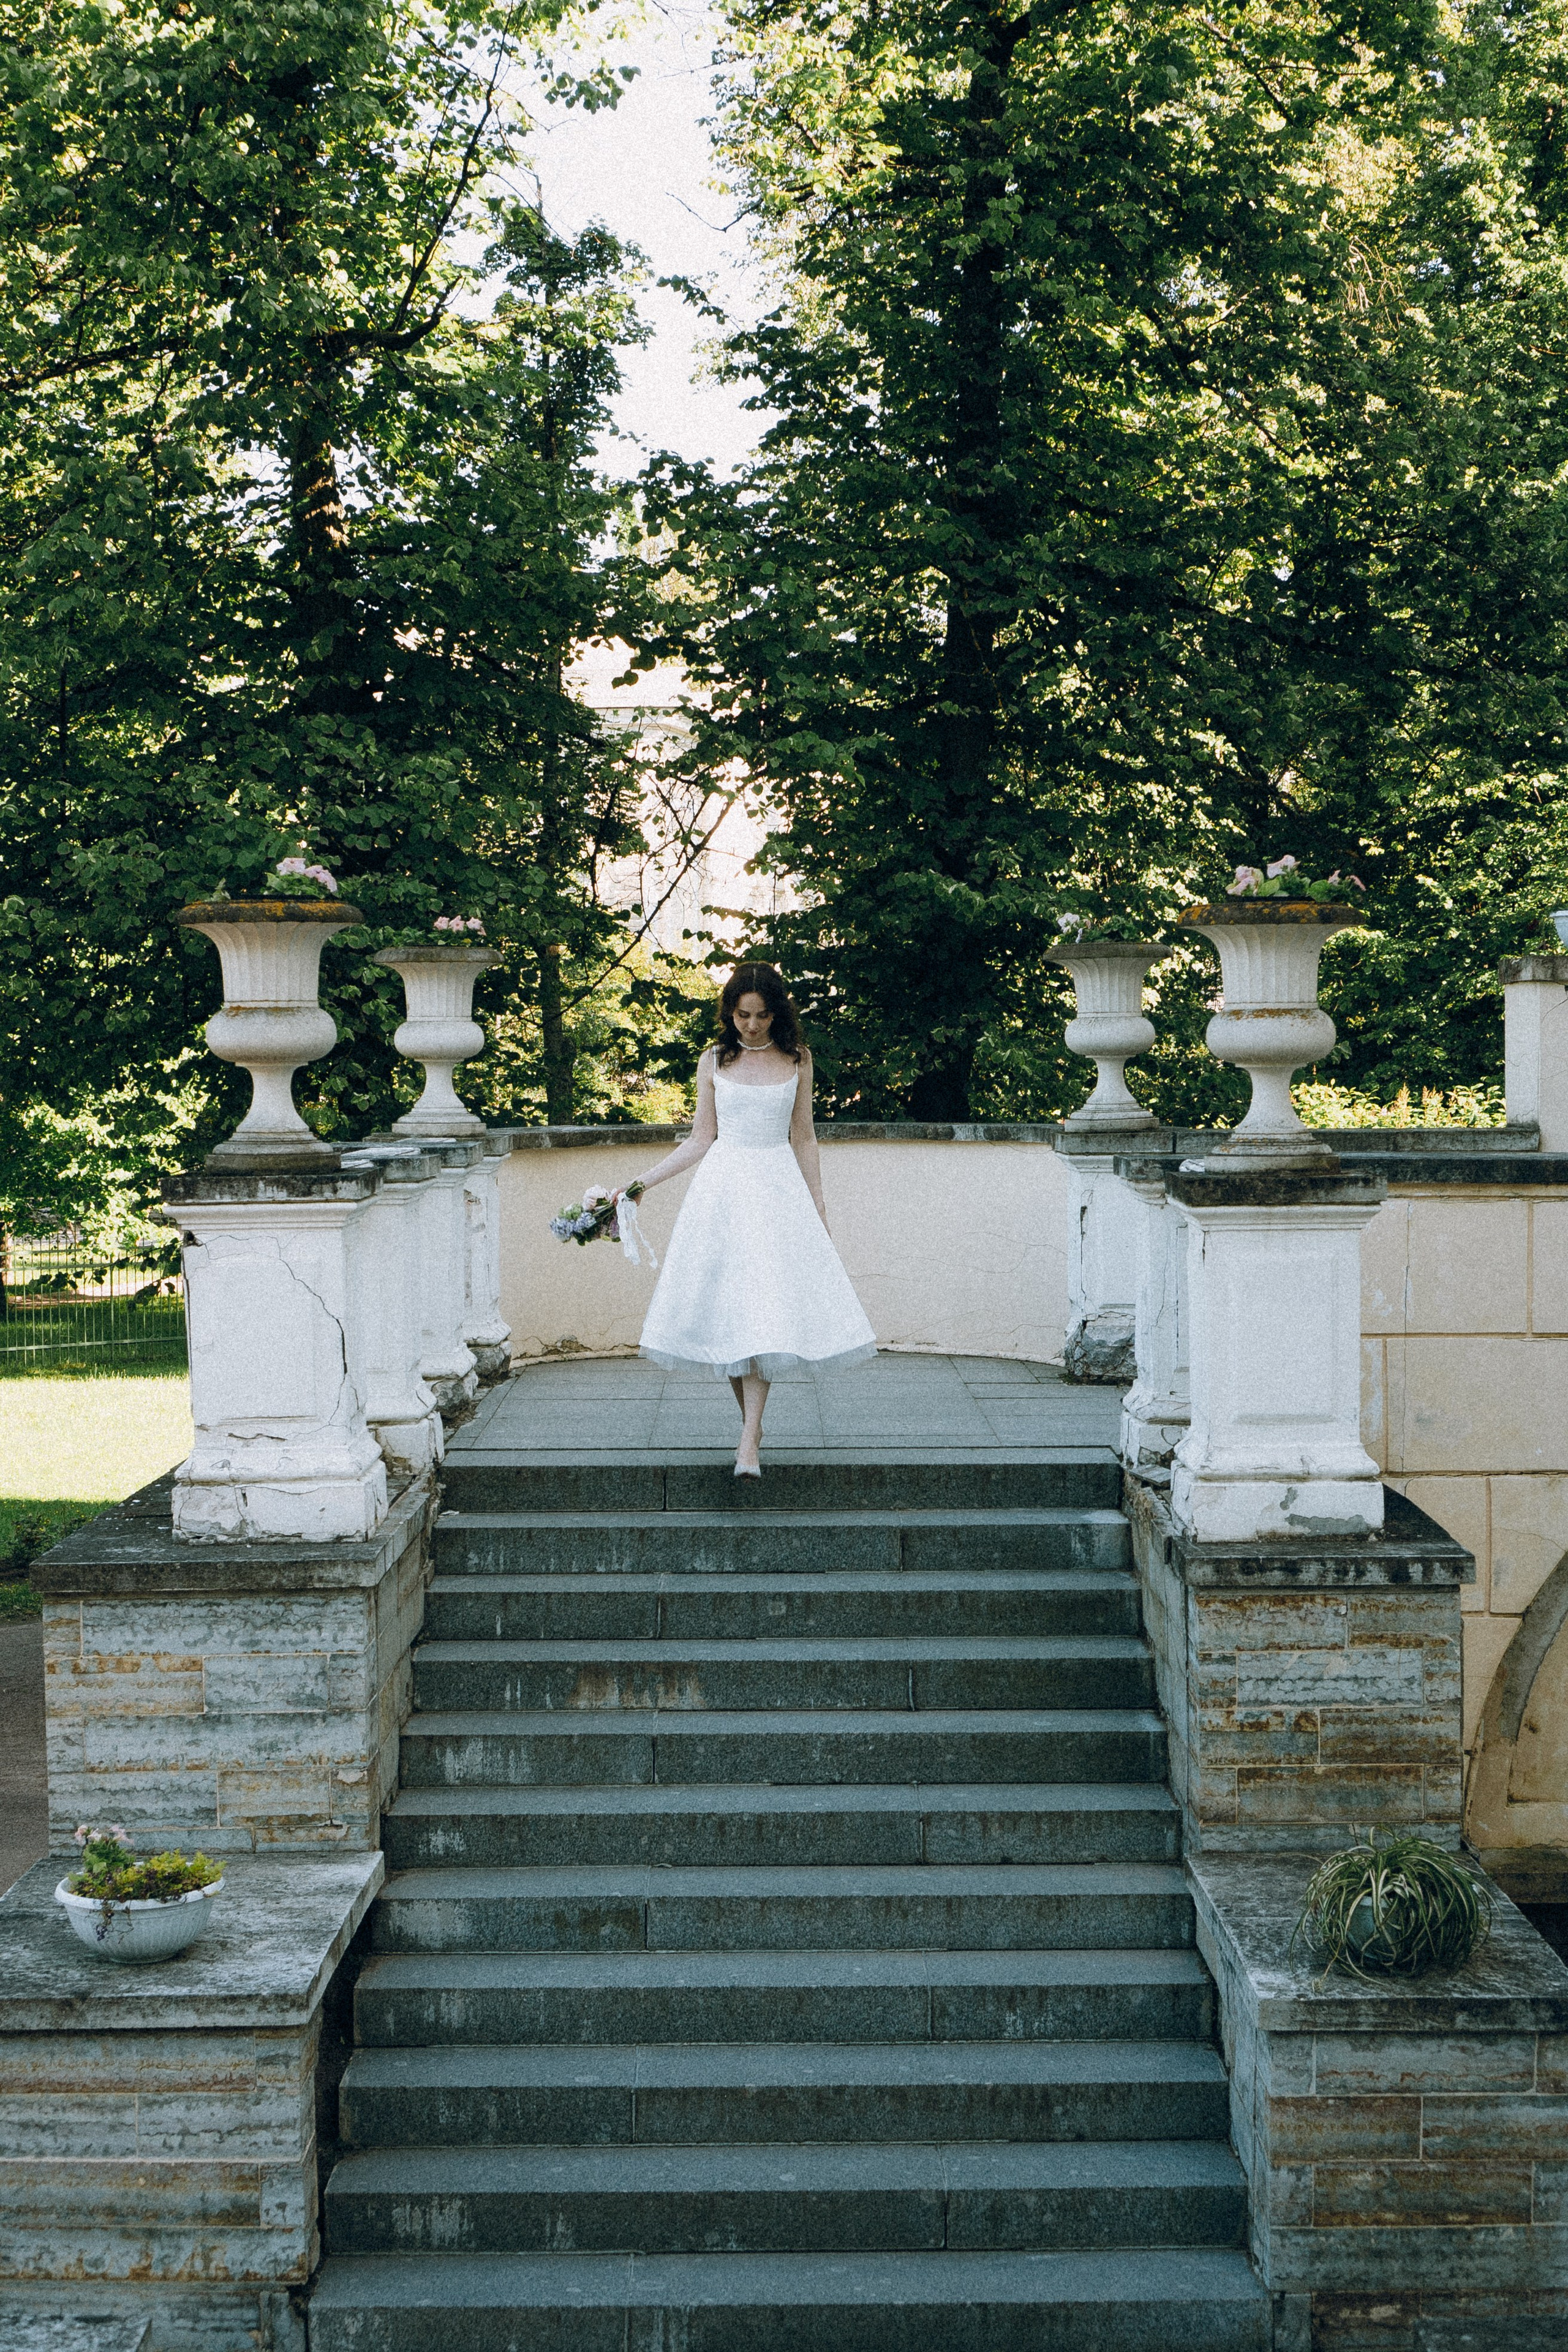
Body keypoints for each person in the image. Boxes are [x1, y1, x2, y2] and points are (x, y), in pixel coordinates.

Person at [616, 962, 876, 1475]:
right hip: (723, 1194)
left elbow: (804, 1137)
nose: (751, 1026)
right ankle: (751, 1429)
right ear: (729, 1013)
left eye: (760, 1016)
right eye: (742, 1015)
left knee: (764, 1313)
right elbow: (699, 1138)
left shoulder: (799, 1059)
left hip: (778, 1194)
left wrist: (818, 1207)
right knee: (733, 1316)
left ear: (777, 1012)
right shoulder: (713, 1059)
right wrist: (640, 1184)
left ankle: (747, 1444)